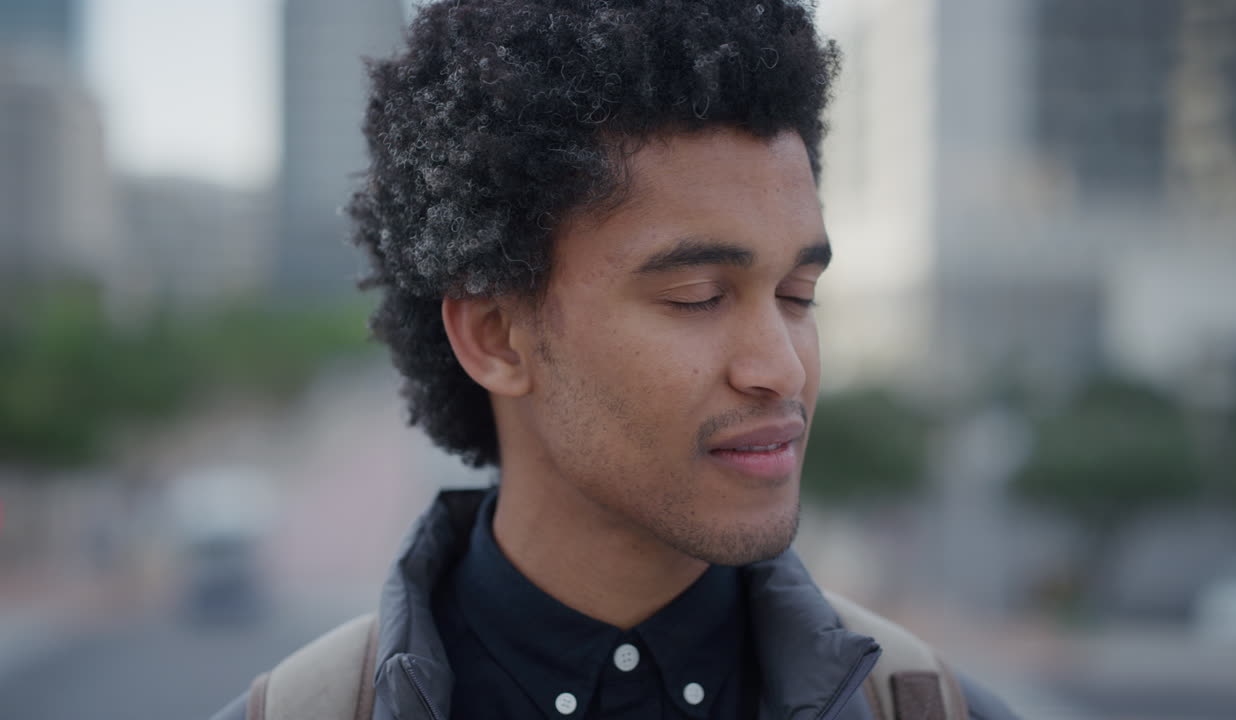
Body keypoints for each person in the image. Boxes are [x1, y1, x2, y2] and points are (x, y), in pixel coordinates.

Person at [213, 1, 1020, 718]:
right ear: (495, 335)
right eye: (699, 297)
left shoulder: (934, 708)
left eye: (798, 295)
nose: (783, 368)